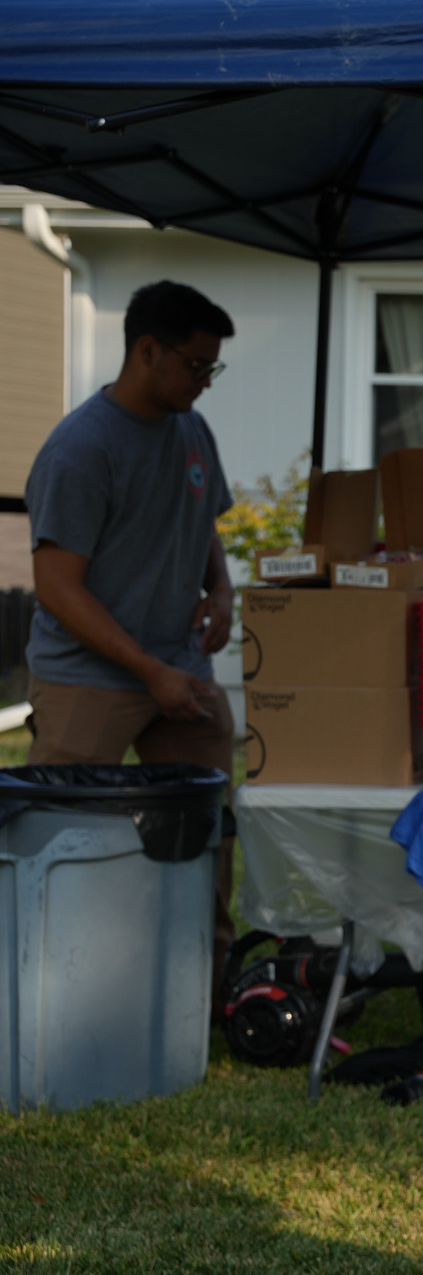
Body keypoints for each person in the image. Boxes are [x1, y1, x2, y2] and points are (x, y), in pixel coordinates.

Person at [25, 279, 238, 985]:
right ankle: (54, 985)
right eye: (197, 366)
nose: (206, 382)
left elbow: (200, 513)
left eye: (214, 368)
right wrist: (148, 670)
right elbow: (57, 586)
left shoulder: (192, 428)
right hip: (89, 678)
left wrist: (221, 587)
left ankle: (199, 987)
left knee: (207, 828)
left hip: (180, 669)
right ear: (148, 350)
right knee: (58, 837)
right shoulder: (81, 449)